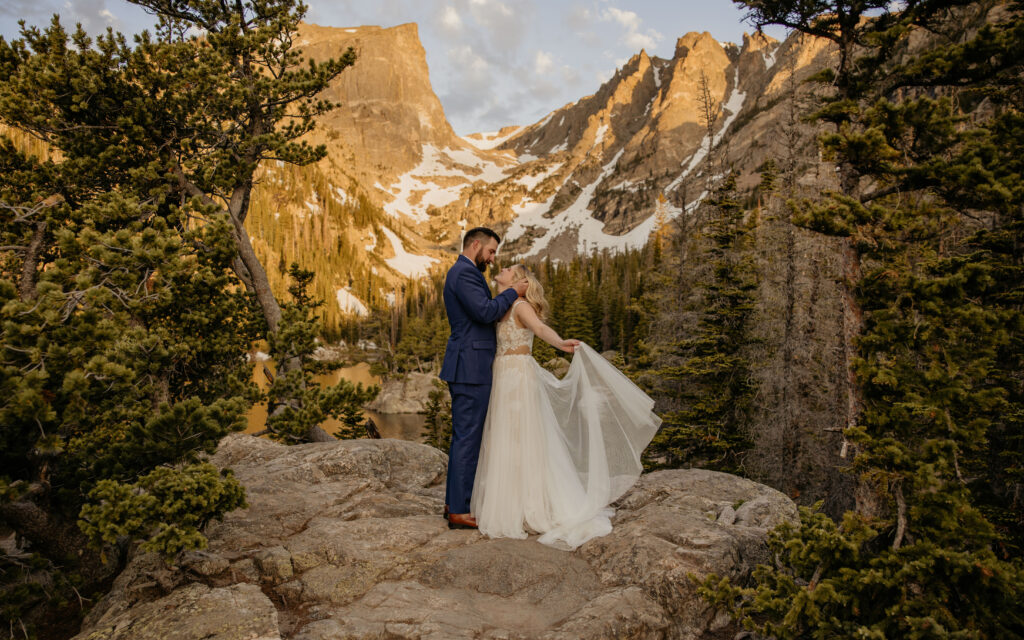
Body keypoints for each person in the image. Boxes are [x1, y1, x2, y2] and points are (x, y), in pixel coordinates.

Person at [471, 264, 661, 549]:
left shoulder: (521, 305)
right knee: (504, 438)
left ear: (519, 280)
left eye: (509, 268)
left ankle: (529, 506)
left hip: (518, 376)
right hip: (502, 374)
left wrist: (560, 343)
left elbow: (539, 327)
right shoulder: (501, 306)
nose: (502, 267)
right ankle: (509, 505)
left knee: (521, 438)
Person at [439, 227, 527, 529]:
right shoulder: (464, 273)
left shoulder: (465, 272)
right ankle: (459, 510)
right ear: (475, 245)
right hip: (470, 366)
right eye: (490, 252)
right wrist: (514, 293)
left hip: (468, 365)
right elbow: (484, 311)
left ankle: (454, 502)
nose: (491, 259)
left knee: (463, 436)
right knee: (468, 438)